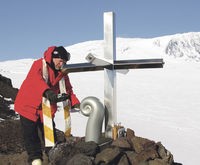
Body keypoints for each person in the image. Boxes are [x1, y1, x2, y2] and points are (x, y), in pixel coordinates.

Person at [14, 46, 80, 165]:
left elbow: (68, 89)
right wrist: (48, 92)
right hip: (28, 106)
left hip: (46, 109)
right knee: (31, 135)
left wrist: (75, 103)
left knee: (50, 135)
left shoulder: (62, 73)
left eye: (64, 62)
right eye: (60, 61)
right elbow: (36, 79)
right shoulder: (39, 64)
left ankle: (53, 157)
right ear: (53, 57)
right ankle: (35, 160)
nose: (62, 64)